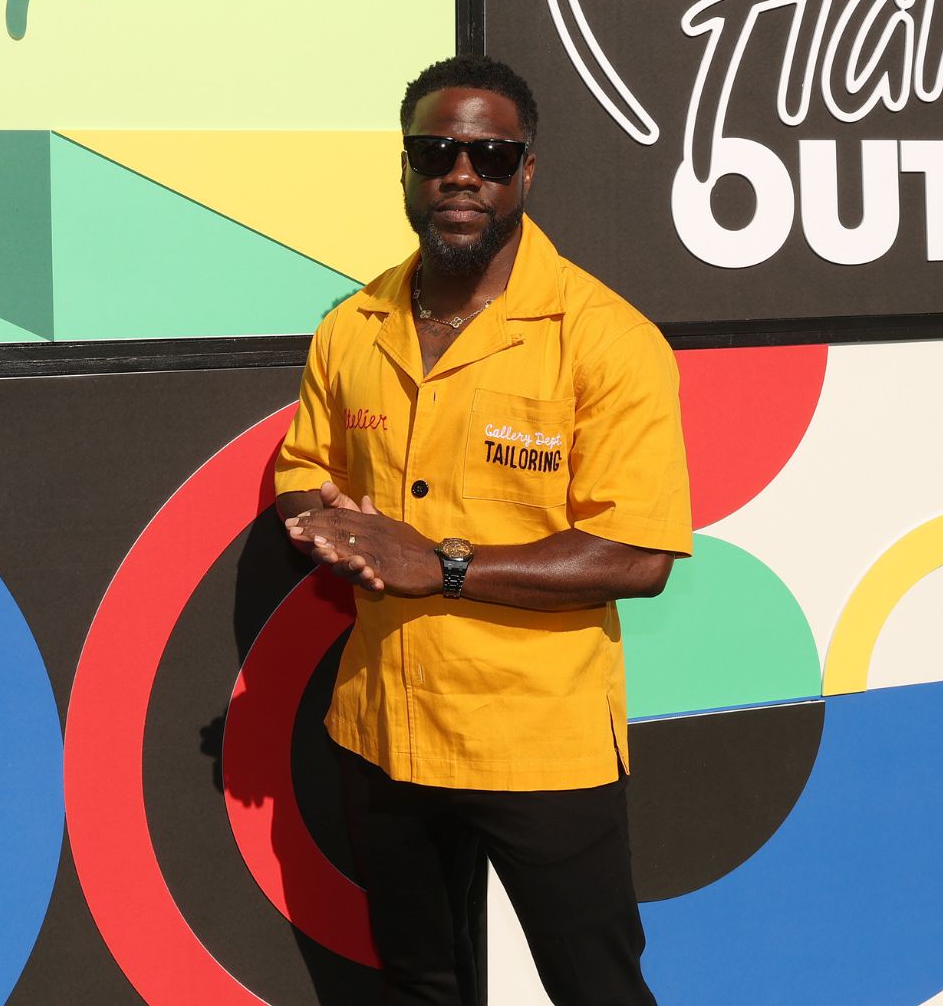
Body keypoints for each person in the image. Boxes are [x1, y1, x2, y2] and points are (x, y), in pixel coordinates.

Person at [274, 54, 691, 1006]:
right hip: (382, 726)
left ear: (527, 173)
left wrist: (444, 565)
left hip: (538, 743)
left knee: (596, 987)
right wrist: (321, 525)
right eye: (438, 151)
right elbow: (304, 472)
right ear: (409, 168)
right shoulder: (353, 324)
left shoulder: (606, 338)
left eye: (491, 156)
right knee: (422, 982)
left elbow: (639, 552)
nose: (462, 174)